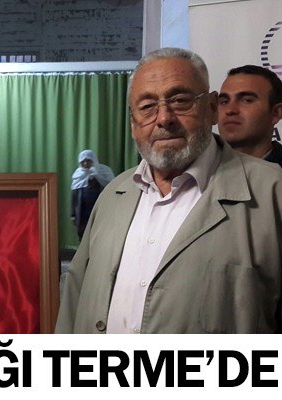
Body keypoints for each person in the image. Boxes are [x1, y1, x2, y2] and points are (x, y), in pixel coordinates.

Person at [55, 47, 282, 334]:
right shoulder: (113, 195)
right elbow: (74, 299)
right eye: (147, 106)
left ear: (212, 108)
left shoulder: (273, 192)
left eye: (180, 100)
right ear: (133, 123)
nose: (164, 118)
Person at [217, 64, 282, 166]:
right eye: (224, 101)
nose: (230, 110)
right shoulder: (200, 167)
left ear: (276, 113)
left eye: (247, 100)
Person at [70, 150, 115, 240]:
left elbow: (112, 190)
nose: (85, 164)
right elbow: (74, 197)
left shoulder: (104, 172)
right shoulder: (78, 175)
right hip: (83, 214)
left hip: (101, 212)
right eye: (83, 161)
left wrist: (97, 176)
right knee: (84, 237)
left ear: (94, 160)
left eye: (88, 161)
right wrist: (73, 214)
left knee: (100, 236)